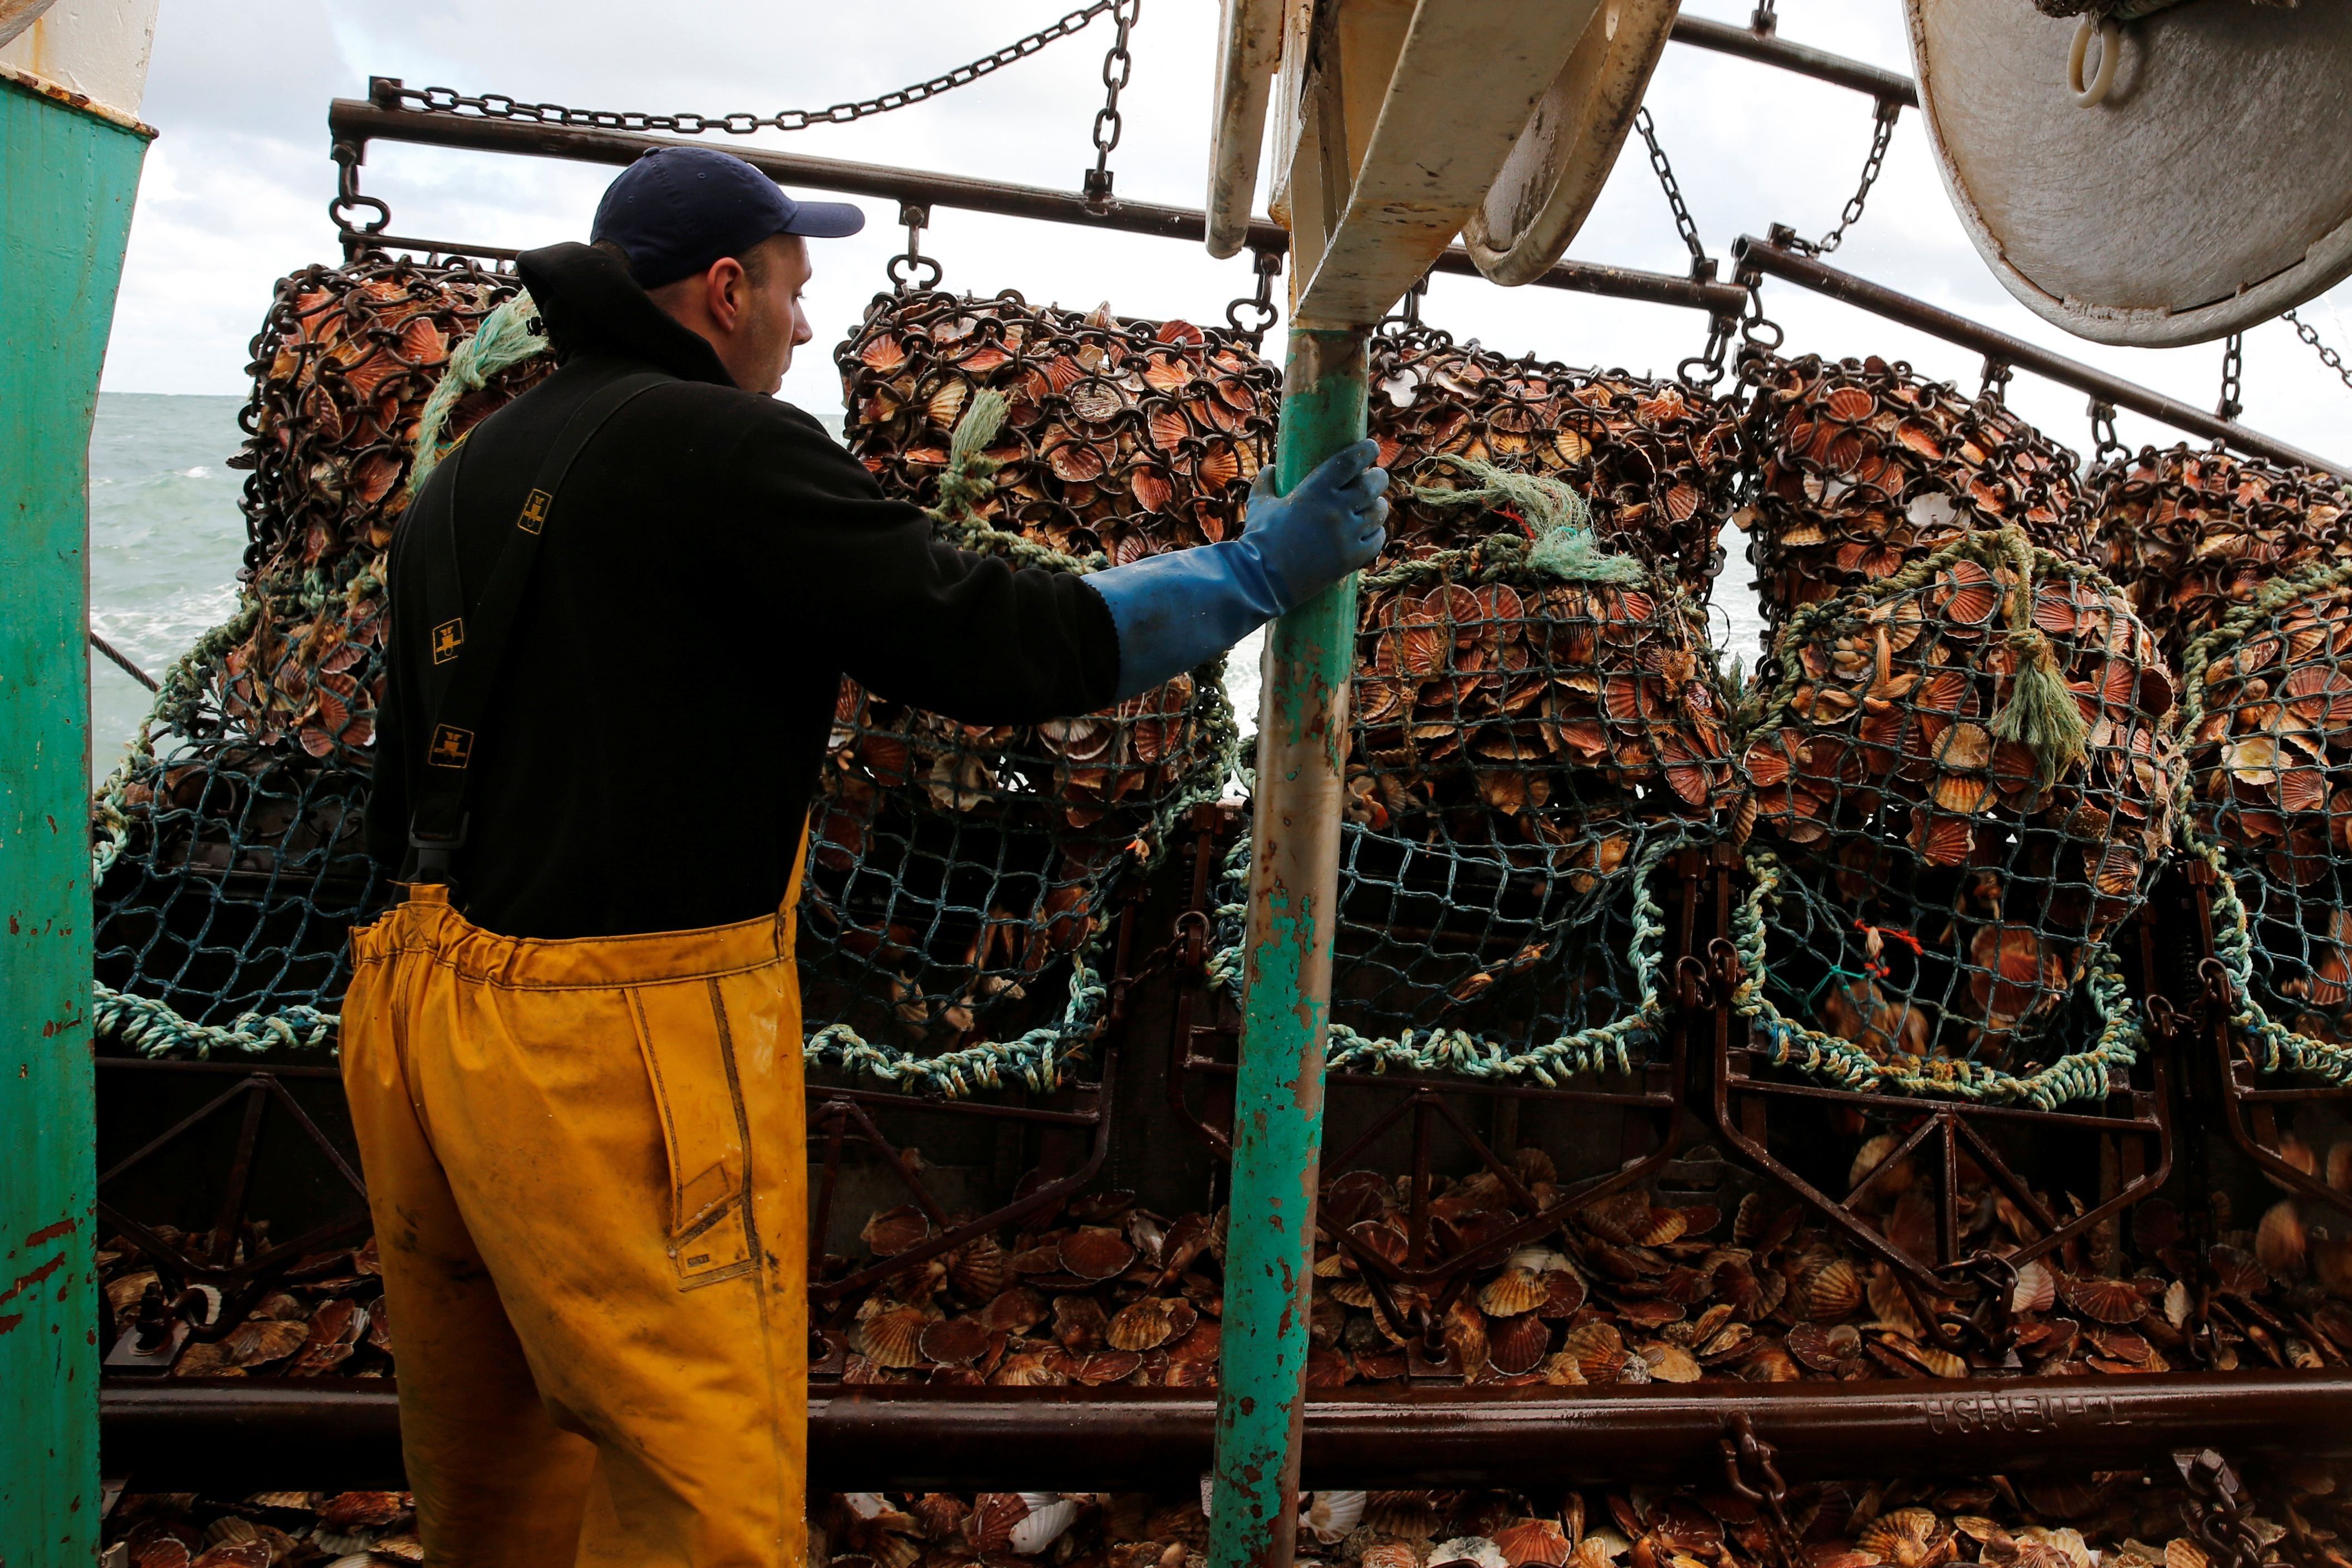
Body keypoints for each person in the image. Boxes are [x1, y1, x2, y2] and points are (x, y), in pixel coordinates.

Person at [345, 144, 1387, 1567]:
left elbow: (399, 783)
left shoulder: (467, 473)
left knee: (497, 1464)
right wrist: (1252, 574)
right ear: (726, 290)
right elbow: (995, 635)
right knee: (695, 1477)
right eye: (793, 290)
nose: (808, 325)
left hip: (415, 1021)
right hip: (613, 1047)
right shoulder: (725, 448)